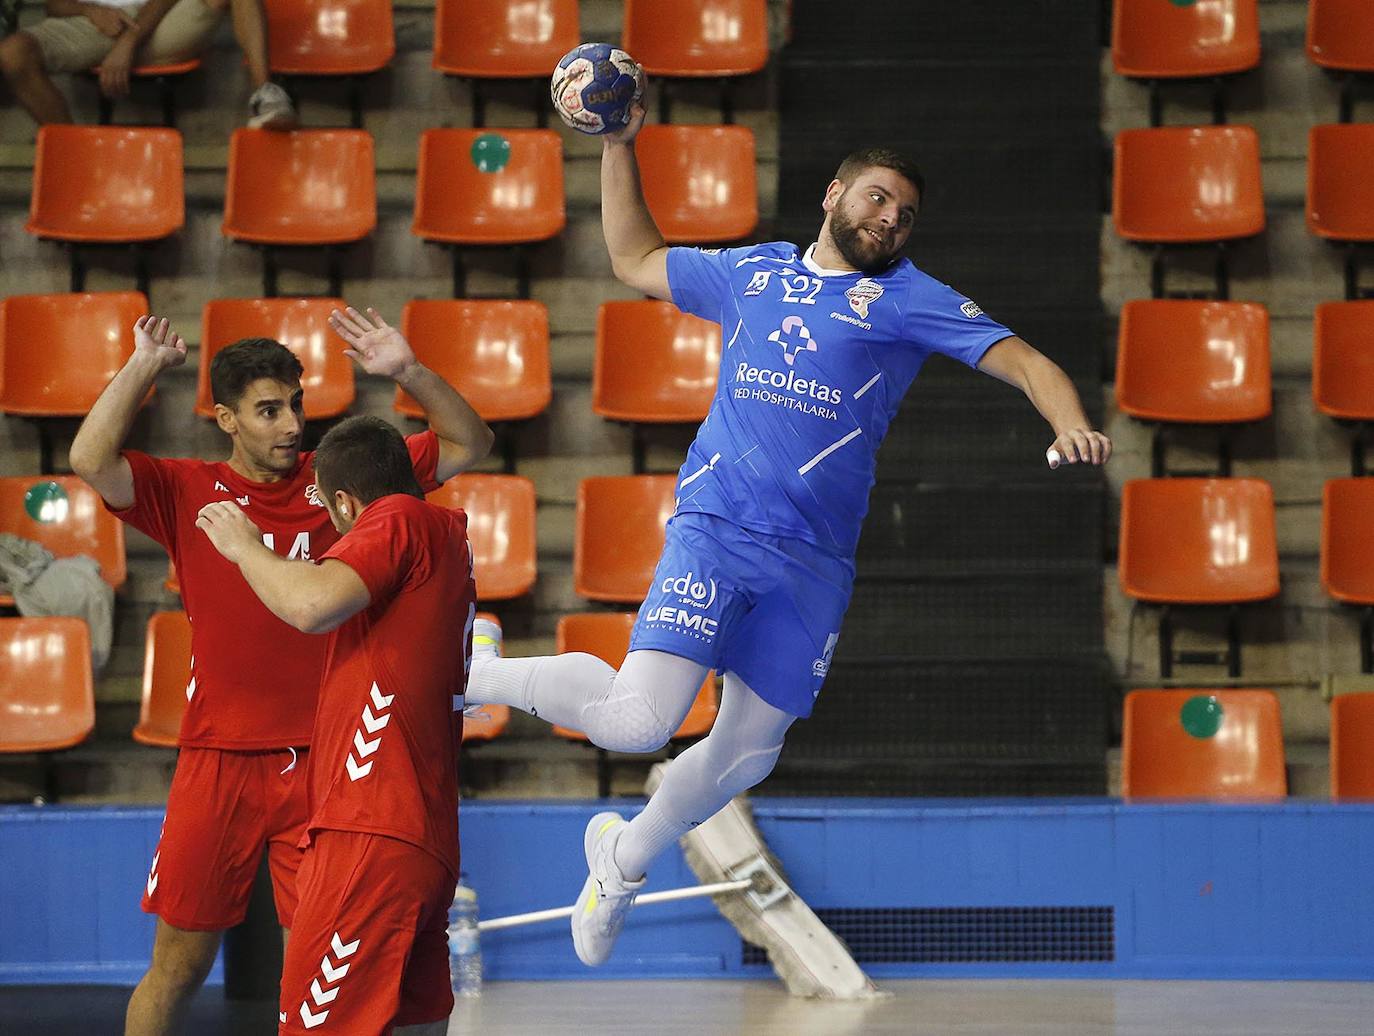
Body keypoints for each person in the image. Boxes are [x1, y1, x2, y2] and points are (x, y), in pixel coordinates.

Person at [463, 96, 1113, 967]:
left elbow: (1030, 361)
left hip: (813, 565)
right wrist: (620, 144)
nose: (891, 219)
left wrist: (1068, 422)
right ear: (833, 195)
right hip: (719, 529)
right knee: (637, 721)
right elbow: (633, 257)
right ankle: (480, 670)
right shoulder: (754, 274)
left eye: (906, 212)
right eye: (878, 198)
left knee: (745, 756)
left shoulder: (909, 299)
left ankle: (621, 858)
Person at [68, 306, 492, 1035]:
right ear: (225, 419)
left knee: (313, 973)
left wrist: (409, 372)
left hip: (327, 770)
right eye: (268, 411)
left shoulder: (340, 483)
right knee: (177, 965)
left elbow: (469, 440)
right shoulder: (188, 490)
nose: (291, 424)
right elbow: (89, 460)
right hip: (218, 759)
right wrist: (142, 365)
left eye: (295, 404)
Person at [196, 413, 476, 1036]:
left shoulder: (399, 519)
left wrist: (244, 546)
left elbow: (311, 603)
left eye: (324, 501)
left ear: (346, 503)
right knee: (416, 1022)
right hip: (421, 835)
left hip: (371, 828)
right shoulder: (447, 538)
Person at [0, 0, 295, 128]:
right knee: (12, 52)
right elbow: (55, 6)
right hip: (95, 27)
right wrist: (88, 9)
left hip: (160, 24)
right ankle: (73, 156)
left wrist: (131, 39)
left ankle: (265, 96)